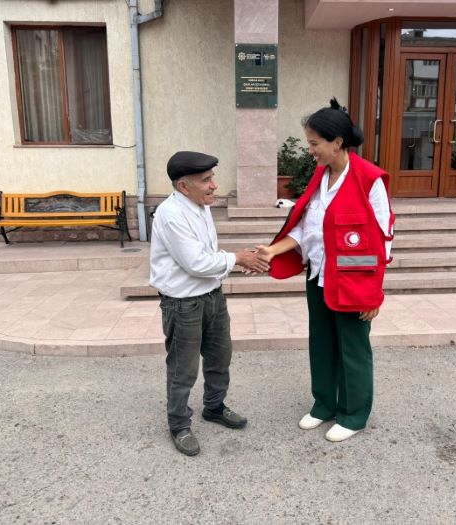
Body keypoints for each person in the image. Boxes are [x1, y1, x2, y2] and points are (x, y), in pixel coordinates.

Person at [256, 99, 394, 442]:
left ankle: (354, 414)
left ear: (337, 142)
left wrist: (374, 294)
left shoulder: (369, 180)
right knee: (321, 344)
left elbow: (383, 239)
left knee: (352, 349)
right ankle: (324, 405)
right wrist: (273, 250)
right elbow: (307, 228)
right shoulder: (320, 177)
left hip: (354, 283)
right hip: (318, 276)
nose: (310, 150)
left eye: (314, 143)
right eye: (309, 143)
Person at [150, 150, 269, 456]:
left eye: (212, 177)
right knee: (183, 368)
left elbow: (207, 255)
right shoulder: (171, 214)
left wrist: (237, 261)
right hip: (183, 304)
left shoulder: (200, 205)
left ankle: (214, 407)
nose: (214, 185)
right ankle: (179, 424)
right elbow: (195, 263)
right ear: (183, 186)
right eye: (206, 180)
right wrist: (236, 259)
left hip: (212, 296)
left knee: (219, 357)